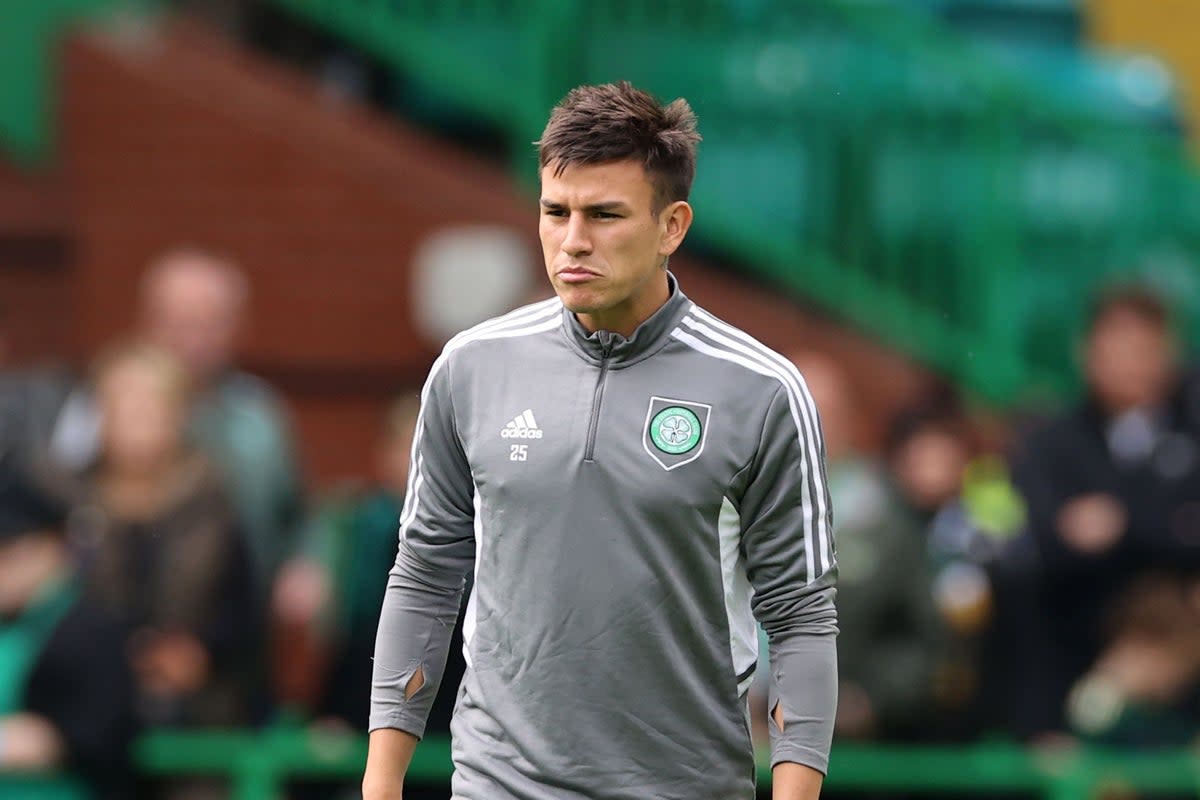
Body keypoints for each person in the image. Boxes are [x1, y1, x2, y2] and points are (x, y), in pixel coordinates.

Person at [363, 82, 837, 800]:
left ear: (672, 225)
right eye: (555, 212)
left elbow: (801, 614)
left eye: (605, 214)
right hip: (498, 783)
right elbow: (426, 574)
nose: (573, 240)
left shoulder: (762, 391)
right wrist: (380, 784)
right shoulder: (470, 367)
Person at [1010, 285, 1200, 734]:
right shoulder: (1051, 443)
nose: (1131, 362)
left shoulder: (1190, 433)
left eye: (1145, 348)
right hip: (1074, 666)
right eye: (1117, 347)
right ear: (1087, 352)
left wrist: (1121, 523)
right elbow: (1049, 547)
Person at [52, 342, 257, 728]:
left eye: (150, 407)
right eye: (122, 406)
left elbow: (242, 614)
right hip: (82, 708)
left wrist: (200, 655)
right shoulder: (64, 500)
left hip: (199, 711)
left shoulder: (213, 501)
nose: (136, 421)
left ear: (179, 414)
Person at [138, 248, 305, 599]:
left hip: (246, 614)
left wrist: (304, 567)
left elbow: (297, 514)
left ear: (239, 327)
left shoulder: (260, 413)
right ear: (149, 322)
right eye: (181, 322)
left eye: (211, 322)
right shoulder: (112, 404)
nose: (195, 339)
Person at [0, 456, 136, 799]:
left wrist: (41, 740)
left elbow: (102, 732)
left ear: (53, 544)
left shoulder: (88, 629)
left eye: (9, 551)